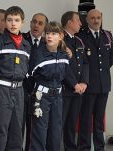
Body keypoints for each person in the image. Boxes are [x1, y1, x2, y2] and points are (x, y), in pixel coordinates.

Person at [0, 6, 31, 151]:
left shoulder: (26, 45)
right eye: (9, 20)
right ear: (5, 22)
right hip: (2, 90)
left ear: (22, 22)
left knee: (17, 130)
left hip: (19, 91)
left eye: (17, 20)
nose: (13, 23)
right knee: (0, 129)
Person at [28, 21, 71, 151]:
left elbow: (65, 76)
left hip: (57, 96)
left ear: (61, 36)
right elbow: (29, 76)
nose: (49, 36)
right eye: (47, 33)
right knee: (39, 132)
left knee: (56, 131)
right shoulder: (38, 54)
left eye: (53, 33)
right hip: (41, 97)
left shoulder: (64, 55)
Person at [78, 9, 113, 151]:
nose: (96, 20)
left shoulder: (107, 35)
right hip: (88, 85)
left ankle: (99, 148)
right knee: (86, 120)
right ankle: (84, 148)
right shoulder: (81, 36)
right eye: (92, 18)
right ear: (86, 20)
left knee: (99, 121)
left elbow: (111, 59)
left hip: (104, 84)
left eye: (98, 17)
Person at [61, 11, 89, 151]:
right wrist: (74, 84)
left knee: (72, 124)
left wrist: (84, 82)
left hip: (78, 90)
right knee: (60, 123)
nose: (81, 23)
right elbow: (63, 66)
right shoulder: (60, 39)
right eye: (78, 20)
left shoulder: (78, 41)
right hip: (65, 89)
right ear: (70, 22)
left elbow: (85, 63)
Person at [22, 12, 48, 151]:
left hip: (39, 93)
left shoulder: (47, 43)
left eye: (40, 23)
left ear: (45, 27)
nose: (36, 25)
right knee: (17, 129)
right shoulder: (22, 39)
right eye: (34, 21)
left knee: (34, 130)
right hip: (22, 90)